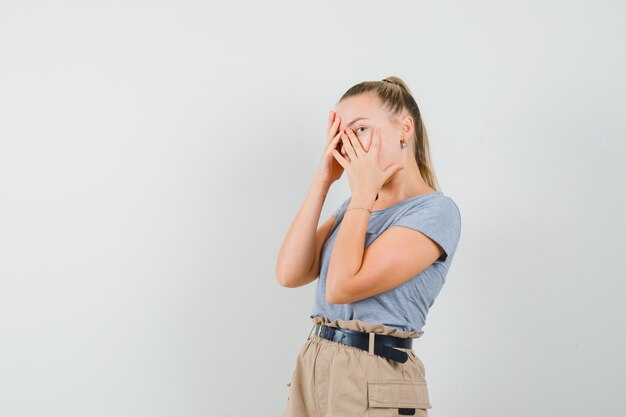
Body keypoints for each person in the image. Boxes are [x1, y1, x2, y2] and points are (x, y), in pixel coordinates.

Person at [275, 76, 462, 417]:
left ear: (405, 129)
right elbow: (290, 273)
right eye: (340, 133)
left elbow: (342, 286)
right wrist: (323, 181)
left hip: (374, 374)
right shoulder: (354, 209)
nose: (348, 143)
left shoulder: (435, 212)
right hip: (315, 364)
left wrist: (362, 193)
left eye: (360, 128)